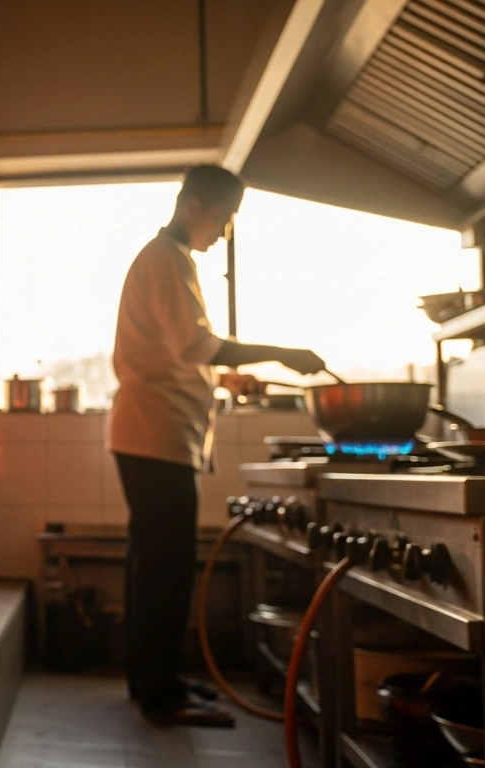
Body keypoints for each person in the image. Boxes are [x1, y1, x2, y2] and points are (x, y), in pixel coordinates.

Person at [107, 165, 325, 727]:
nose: (224, 232)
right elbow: (198, 344)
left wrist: (223, 381)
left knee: (152, 566)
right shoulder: (167, 259)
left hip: (152, 433)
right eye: (224, 218)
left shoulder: (167, 259)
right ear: (194, 205)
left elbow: (175, 354)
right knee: (166, 569)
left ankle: (154, 683)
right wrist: (284, 352)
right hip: (155, 436)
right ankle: (161, 695)